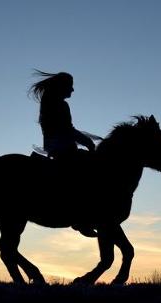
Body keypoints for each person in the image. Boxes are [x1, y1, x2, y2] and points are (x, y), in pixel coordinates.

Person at [29, 69, 97, 237]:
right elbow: (68, 130)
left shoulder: (49, 103)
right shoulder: (60, 104)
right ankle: (82, 220)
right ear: (62, 87)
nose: (72, 90)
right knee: (89, 176)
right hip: (64, 149)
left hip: (55, 148)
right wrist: (88, 142)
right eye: (70, 86)